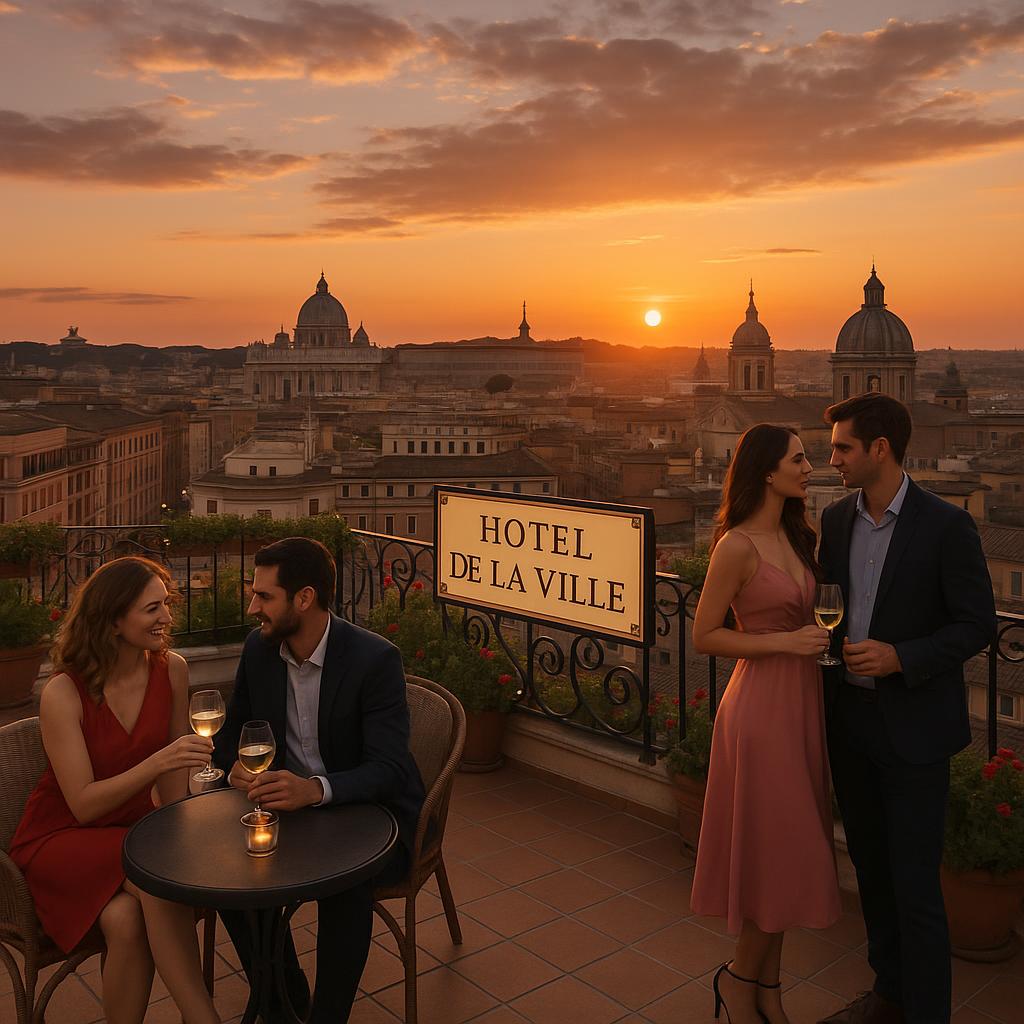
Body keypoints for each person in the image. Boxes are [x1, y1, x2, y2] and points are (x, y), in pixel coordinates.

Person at [817, 393, 995, 1024]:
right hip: (852, 724)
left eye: (842, 447)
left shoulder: (947, 526)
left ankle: (925, 1014)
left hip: (915, 731)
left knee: (917, 888)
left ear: (880, 449)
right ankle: (888, 994)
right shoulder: (836, 521)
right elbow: (828, 604)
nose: (830, 457)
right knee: (871, 872)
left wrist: (902, 657)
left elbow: (976, 625)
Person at [213, 537, 425, 1024]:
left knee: (345, 886)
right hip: (292, 815)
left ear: (304, 598)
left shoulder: (374, 660)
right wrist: (237, 769)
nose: (252, 607)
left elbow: (389, 769)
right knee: (231, 879)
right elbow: (232, 735)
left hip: (371, 816)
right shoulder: (260, 650)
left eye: (264, 597)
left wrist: (315, 790)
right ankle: (282, 1000)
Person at [10, 557, 220, 1024]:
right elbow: (82, 805)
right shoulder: (64, 692)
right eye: (152, 609)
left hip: (130, 834)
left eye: (166, 604)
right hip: (60, 839)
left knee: (126, 919)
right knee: (156, 880)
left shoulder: (173, 671)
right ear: (113, 620)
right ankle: (202, 1017)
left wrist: (195, 823)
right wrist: (160, 761)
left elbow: (172, 790)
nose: (167, 617)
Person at [690, 424, 841, 1024]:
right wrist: (784, 643)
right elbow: (705, 634)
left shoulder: (799, 535)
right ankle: (739, 980)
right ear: (767, 471)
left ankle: (766, 992)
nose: (810, 468)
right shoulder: (736, 546)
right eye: (799, 459)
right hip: (760, 713)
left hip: (801, 707)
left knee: (780, 857)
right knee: (778, 852)